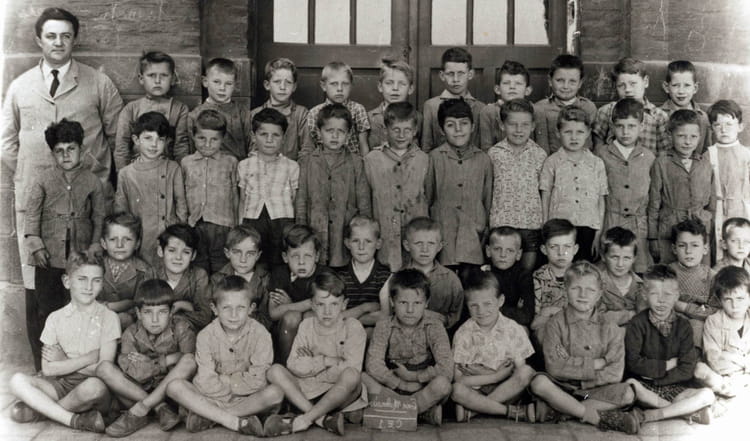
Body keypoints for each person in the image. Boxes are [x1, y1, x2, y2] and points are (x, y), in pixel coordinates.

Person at [1, 7, 123, 310]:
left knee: (86, 283)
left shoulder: (98, 83)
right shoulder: (20, 86)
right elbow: (6, 142)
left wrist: (95, 176)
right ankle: (43, 344)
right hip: (38, 206)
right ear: (39, 40)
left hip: (85, 204)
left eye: (66, 36)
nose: (58, 42)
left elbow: (119, 138)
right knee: (40, 290)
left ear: (75, 40)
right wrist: (33, 176)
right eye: (51, 36)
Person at [24, 119, 105, 371]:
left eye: (71, 149)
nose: (65, 155)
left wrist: (95, 244)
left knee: (78, 309)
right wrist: (36, 246)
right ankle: (44, 367)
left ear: (82, 149)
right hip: (48, 259)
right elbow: (32, 215)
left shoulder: (92, 181)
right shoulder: (42, 180)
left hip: (80, 258)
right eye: (59, 150)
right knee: (47, 310)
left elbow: (99, 216)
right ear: (52, 153)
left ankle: (75, 366)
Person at [9, 253, 120, 433]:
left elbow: (103, 369)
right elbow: (48, 369)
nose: (89, 287)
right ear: (67, 281)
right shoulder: (55, 318)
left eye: (96, 280)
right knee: (17, 380)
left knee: (94, 387)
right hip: (61, 385)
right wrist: (89, 358)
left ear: (102, 283)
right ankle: (73, 420)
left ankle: (44, 411)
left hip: (94, 387)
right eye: (82, 279)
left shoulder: (109, 317)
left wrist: (63, 360)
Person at [529, 261, 640, 434]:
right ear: (566, 290)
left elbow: (615, 373)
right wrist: (596, 364)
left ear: (599, 294)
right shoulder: (555, 324)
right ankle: (595, 417)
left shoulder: (610, 327)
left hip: (593, 392)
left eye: (590, 290)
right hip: (562, 387)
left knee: (627, 393)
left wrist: (582, 377)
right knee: (539, 383)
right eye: (576, 288)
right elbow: (555, 367)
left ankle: (561, 410)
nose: (583, 295)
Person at [165, 276, 283, 435]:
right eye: (227, 308)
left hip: (248, 398)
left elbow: (258, 380)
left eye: (240, 308)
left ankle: (210, 416)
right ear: (214, 309)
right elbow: (205, 382)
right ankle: (234, 420)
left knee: (276, 392)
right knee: (174, 387)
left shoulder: (261, 334)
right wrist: (234, 384)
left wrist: (229, 381)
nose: (234, 315)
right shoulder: (205, 336)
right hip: (212, 396)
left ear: (251, 308)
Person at [265, 270, 367, 436]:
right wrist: (325, 360)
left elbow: (350, 367)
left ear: (344, 304)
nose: (327, 311)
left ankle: (305, 418)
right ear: (312, 305)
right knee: (274, 370)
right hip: (307, 392)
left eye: (334, 304)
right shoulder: (306, 325)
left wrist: (311, 364)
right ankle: (321, 419)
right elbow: (293, 365)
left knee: (352, 375)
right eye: (321, 304)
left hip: (337, 393)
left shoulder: (352, 327)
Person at [96, 279, 197, 437]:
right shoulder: (130, 333)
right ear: (138, 313)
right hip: (137, 391)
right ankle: (159, 408)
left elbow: (189, 359)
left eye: (162, 312)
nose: (155, 319)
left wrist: (156, 362)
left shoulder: (181, 327)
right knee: (103, 369)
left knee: (189, 361)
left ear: (171, 312)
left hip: (171, 393)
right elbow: (135, 373)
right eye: (148, 312)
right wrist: (170, 360)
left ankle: (142, 409)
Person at [624, 264, 716, 427]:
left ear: (676, 296)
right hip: (646, 388)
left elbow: (687, 368)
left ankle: (653, 415)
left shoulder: (684, 325)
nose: (661, 300)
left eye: (667, 294)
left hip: (675, 387)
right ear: (644, 295)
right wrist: (667, 365)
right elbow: (633, 363)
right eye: (654, 294)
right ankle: (686, 412)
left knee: (708, 394)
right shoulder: (636, 324)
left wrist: (659, 377)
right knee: (631, 384)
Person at [364, 269, 453, 426]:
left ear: (426, 303)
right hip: (391, 386)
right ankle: (421, 412)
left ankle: (395, 412)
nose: (410, 310)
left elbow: (446, 368)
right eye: (403, 303)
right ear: (392, 302)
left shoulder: (434, 326)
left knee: (443, 384)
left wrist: (414, 377)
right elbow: (373, 364)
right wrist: (401, 384)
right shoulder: (383, 326)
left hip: (422, 387)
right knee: (362, 378)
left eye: (417, 303)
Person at [451, 270, 536, 422]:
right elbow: (459, 380)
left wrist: (499, 377)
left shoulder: (512, 328)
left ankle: (476, 410)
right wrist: (494, 376)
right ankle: (507, 411)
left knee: (527, 372)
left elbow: (520, 371)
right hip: (476, 390)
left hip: (507, 390)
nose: (481, 311)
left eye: (487, 304)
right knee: (456, 390)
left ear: (500, 301)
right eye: (474, 305)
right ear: (467, 305)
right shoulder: (464, 333)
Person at [296, 103, 371, 267]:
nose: (335, 136)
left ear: (348, 134)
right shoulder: (307, 162)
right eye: (329, 131)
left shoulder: (356, 162)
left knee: (343, 267)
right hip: (315, 226)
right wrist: (301, 231)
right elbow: (301, 198)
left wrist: (363, 229)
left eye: (341, 132)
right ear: (318, 132)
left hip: (344, 229)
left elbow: (364, 200)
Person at [426, 98, 493, 280]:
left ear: (472, 127)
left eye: (464, 124)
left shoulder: (483, 159)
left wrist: (484, 230)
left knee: (470, 282)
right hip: (444, 234)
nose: (458, 130)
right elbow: (428, 197)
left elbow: (487, 199)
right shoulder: (434, 158)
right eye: (450, 125)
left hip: (473, 235)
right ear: (442, 129)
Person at [114, 111, 187, 266]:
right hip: (140, 240)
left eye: (160, 139)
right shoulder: (126, 174)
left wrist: (180, 234)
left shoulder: (173, 168)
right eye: (148, 138)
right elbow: (121, 212)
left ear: (167, 142)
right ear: (136, 140)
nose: (154, 145)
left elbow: (181, 204)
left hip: (169, 238)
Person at [364, 101, 429, 271]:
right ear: (385, 130)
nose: (401, 135)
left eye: (407, 130)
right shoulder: (372, 160)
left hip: (415, 235)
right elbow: (366, 200)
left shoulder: (424, 160)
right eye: (396, 129)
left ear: (415, 131)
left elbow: (430, 196)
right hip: (384, 235)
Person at [595, 98, 656, 273]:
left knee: (637, 270)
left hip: (639, 226)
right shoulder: (601, 154)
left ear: (641, 127)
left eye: (631, 126)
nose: (625, 132)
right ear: (612, 126)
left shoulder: (649, 157)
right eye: (620, 126)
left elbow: (653, 198)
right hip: (610, 221)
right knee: (610, 268)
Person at [648, 109, 714, 264]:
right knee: (671, 271)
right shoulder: (662, 163)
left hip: (699, 229)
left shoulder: (704, 164)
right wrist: (652, 237)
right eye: (681, 136)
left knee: (700, 271)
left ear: (700, 137)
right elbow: (654, 204)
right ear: (670, 136)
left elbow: (711, 204)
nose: (687, 142)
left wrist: (707, 226)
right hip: (670, 230)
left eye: (693, 137)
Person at [541, 106, 607, 262]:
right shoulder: (552, 162)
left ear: (588, 133)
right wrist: (545, 228)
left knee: (583, 267)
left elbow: (601, 199)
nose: (574, 137)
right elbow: (546, 196)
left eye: (580, 132)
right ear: (558, 133)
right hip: (559, 228)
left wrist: (598, 233)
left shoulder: (596, 163)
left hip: (588, 227)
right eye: (568, 132)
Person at [488, 98, 547, 271]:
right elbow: (488, 189)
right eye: (513, 124)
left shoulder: (539, 154)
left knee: (526, 273)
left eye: (525, 125)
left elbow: (544, 191)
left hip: (531, 225)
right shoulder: (494, 154)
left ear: (533, 126)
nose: (519, 130)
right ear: (502, 125)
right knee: (501, 272)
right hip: (501, 224)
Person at [239, 107, 299, 267]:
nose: (269, 140)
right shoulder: (244, 165)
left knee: (279, 262)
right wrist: (240, 226)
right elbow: (242, 199)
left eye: (276, 135)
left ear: (283, 138)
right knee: (255, 261)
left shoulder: (292, 166)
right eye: (263, 134)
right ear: (253, 136)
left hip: (282, 221)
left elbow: (294, 199)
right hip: (253, 220)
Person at [181, 109, 238, 274]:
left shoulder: (231, 162)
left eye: (214, 139)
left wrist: (236, 225)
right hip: (195, 224)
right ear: (193, 136)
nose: (207, 144)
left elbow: (235, 196)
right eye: (201, 138)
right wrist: (184, 223)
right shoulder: (186, 163)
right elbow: (181, 195)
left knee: (222, 265)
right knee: (198, 265)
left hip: (223, 226)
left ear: (223, 138)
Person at [381, 217, 463, 330]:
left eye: (431, 243)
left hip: (441, 335)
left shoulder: (451, 279)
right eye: (418, 243)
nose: (425, 249)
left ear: (439, 246)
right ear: (407, 245)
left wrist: (442, 319)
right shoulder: (397, 278)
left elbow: (456, 315)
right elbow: (391, 312)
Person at [115, 51, 190, 169]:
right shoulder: (131, 109)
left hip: (168, 171)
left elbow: (181, 146)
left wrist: (180, 174)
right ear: (141, 78)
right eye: (151, 75)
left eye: (164, 75)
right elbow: (122, 147)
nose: (157, 81)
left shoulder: (180, 109)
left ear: (172, 79)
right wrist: (122, 174)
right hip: (137, 170)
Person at [268, 224, 329, 363]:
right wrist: (308, 303)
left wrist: (290, 304)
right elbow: (273, 313)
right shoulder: (280, 274)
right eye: (295, 256)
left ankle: (313, 364)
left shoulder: (324, 275)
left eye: (307, 256)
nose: (301, 262)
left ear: (317, 256)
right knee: (292, 317)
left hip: (319, 334)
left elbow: (325, 311)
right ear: (285, 257)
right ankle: (288, 365)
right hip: (286, 332)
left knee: (309, 316)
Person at [592, 57, 670, 153]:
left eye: (633, 84)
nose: (627, 90)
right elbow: (598, 147)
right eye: (621, 85)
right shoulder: (606, 111)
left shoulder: (659, 116)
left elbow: (664, 153)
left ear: (645, 82)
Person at [695, 266, 750, 398]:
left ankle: (733, 389)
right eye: (728, 299)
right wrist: (743, 362)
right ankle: (732, 388)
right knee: (700, 370)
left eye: (740, 298)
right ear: (720, 300)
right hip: (723, 376)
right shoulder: (714, 321)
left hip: (745, 375)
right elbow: (714, 360)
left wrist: (729, 356)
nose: (735, 305)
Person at [706, 99, 750, 260]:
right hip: (717, 212)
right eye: (717, 125)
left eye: (729, 124)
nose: (723, 130)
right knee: (720, 251)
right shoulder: (708, 154)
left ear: (740, 126)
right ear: (712, 128)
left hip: (743, 210)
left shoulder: (747, 154)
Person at [187, 58, 252, 161]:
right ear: (205, 82)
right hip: (207, 167)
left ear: (235, 85)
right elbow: (190, 150)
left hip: (238, 166)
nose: (222, 88)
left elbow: (253, 143)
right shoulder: (194, 116)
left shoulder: (243, 113)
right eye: (217, 82)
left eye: (228, 83)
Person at [99, 212, 156, 330]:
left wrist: (119, 311)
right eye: (113, 239)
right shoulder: (95, 266)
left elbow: (143, 306)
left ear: (137, 244)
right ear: (104, 243)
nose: (120, 245)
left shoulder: (144, 271)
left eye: (127, 239)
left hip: (130, 327)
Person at [210, 225, 272, 330]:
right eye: (237, 252)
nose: (243, 260)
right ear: (227, 253)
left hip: (254, 332)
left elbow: (267, 319)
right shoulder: (217, 279)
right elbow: (212, 316)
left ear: (258, 255)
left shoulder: (265, 279)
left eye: (250, 254)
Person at [669, 218, 719, 346]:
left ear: (705, 248)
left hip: (697, 329)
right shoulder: (666, 273)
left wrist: (685, 307)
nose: (688, 251)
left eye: (695, 245)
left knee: (696, 327)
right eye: (682, 245)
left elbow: (715, 312)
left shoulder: (711, 277)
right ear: (674, 248)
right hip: (669, 324)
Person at [422, 47, 485, 151]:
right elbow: (426, 145)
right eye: (450, 74)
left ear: (470, 74)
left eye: (461, 73)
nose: (456, 79)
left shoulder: (481, 108)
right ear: (442, 75)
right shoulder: (431, 106)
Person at [303, 61, 371, 156]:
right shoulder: (314, 113)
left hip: (352, 161)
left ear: (351, 86)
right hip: (324, 162)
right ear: (323, 86)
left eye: (345, 84)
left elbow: (363, 145)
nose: (340, 89)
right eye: (334, 84)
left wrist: (363, 163)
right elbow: (309, 147)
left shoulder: (358, 110)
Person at [335, 216, 390, 333]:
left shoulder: (385, 276)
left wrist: (348, 317)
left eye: (368, 241)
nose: (361, 247)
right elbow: (333, 315)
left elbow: (384, 316)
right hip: (342, 332)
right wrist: (364, 308)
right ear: (347, 243)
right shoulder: (339, 276)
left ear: (378, 243)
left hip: (373, 333)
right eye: (356, 241)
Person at [534, 54, 597, 154]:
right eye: (560, 80)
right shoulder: (540, 108)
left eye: (572, 81)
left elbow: (589, 144)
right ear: (550, 81)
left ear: (580, 83)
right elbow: (542, 145)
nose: (566, 86)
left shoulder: (588, 107)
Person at [249, 57, 309, 161]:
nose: (282, 87)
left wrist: (292, 168)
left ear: (294, 86)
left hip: (293, 169)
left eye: (288, 82)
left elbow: (306, 150)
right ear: (267, 85)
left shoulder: (301, 114)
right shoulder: (254, 114)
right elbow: (252, 150)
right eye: (277, 82)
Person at [154, 224, 212, 330]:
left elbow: (205, 316)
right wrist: (188, 306)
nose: (178, 257)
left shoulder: (199, 276)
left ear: (193, 255)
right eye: (172, 250)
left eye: (186, 252)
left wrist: (180, 306)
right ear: (160, 251)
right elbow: (143, 311)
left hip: (186, 333)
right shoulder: (152, 274)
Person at [531, 219, 579, 342]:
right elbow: (534, 323)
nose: (561, 253)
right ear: (544, 249)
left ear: (575, 249)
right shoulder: (537, 278)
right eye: (554, 247)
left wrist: (551, 311)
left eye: (567, 246)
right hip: (548, 330)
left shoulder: (584, 275)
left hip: (578, 328)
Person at [483, 226, 535, 328]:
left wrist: (492, 310)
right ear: (488, 251)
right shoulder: (482, 274)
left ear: (518, 254)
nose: (503, 255)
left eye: (510, 250)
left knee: (523, 330)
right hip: (485, 324)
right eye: (497, 249)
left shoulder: (524, 276)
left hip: (512, 325)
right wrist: (513, 310)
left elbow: (526, 315)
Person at [659, 60, 712, 154]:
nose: (681, 91)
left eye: (687, 85)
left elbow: (706, 151)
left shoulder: (702, 118)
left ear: (695, 88)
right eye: (675, 85)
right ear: (666, 87)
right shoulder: (658, 116)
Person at [597, 227, 646, 326]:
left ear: (634, 258)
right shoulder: (596, 284)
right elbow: (598, 318)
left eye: (626, 258)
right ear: (603, 256)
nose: (620, 264)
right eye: (614, 257)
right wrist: (631, 314)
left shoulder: (642, 285)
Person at [367, 58, 421, 148]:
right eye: (389, 83)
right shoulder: (370, 117)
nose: (395, 88)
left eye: (402, 84)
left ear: (410, 89)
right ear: (380, 86)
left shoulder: (418, 117)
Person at [478, 60, 532, 150]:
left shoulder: (534, 111)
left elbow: (541, 147)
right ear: (497, 89)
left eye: (518, 83)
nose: (512, 87)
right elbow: (486, 147)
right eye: (506, 83)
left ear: (527, 90)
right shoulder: (488, 112)